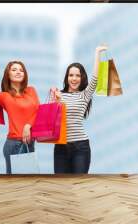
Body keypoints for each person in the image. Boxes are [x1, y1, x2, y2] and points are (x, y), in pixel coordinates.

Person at [52, 44, 107, 174]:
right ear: (67, 77)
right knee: (61, 184)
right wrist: (57, 101)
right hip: (61, 147)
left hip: (80, 147)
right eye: (71, 75)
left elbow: (95, 77)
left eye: (77, 75)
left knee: (79, 184)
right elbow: (53, 121)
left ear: (82, 78)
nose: (74, 78)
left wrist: (97, 52)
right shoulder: (58, 94)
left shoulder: (85, 95)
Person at [0, 61, 40, 174]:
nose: (18, 72)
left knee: (29, 182)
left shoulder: (31, 90)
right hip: (14, 144)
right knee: (16, 184)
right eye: (14, 70)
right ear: (8, 75)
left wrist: (28, 125)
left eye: (21, 70)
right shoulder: (5, 96)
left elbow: (38, 111)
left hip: (30, 142)